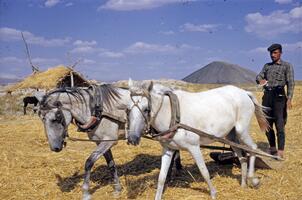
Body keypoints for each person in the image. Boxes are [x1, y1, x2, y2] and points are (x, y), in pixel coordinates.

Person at [256, 43, 294, 158]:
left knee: (279, 124)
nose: (273, 55)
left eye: (275, 53)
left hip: (279, 97)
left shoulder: (287, 66)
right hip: (267, 96)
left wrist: (289, 98)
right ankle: (272, 148)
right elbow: (259, 76)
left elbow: (291, 83)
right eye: (271, 53)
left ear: (280, 53)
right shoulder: (267, 66)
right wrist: (260, 80)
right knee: (267, 124)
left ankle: (280, 151)